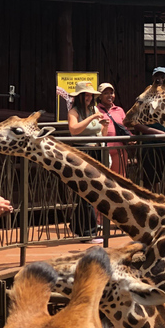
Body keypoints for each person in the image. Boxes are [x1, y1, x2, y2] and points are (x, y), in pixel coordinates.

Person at [67, 80, 108, 242]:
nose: (89, 98)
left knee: (91, 192)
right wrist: (92, 118)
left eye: (91, 95)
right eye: (86, 95)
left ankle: (77, 226)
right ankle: (88, 233)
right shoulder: (74, 111)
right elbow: (73, 130)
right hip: (81, 153)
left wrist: (104, 125)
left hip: (95, 152)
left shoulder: (94, 109)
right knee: (86, 193)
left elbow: (101, 134)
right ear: (80, 96)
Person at [133, 68, 165, 200]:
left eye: (163, 77)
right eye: (157, 77)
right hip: (151, 147)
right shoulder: (143, 99)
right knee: (151, 182)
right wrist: (158, 133)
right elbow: (135, 123)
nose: (159, 80)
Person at [96, 82, 130, 177]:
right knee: (103, 179)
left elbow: (125, 127)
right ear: (100, 96)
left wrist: (131, 138)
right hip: (103, 149)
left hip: (119, 150)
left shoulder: (119, 110)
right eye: (106, 93)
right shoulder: (95, 110)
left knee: (119, 178)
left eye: (111, 93)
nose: (110, 95)